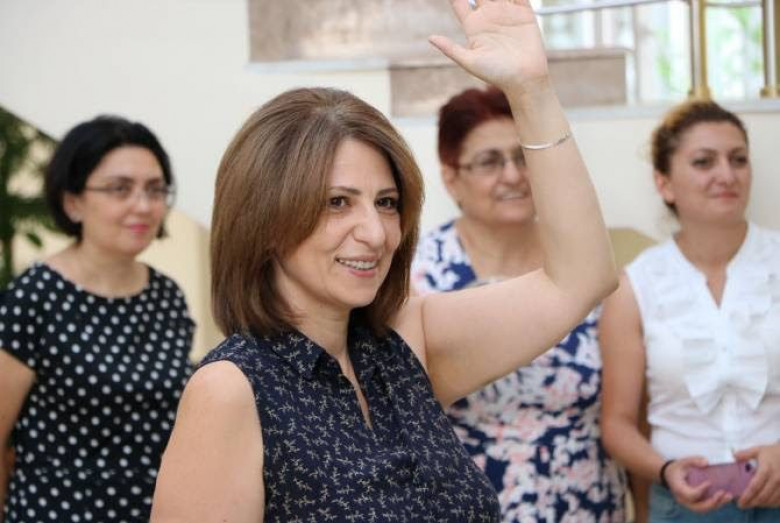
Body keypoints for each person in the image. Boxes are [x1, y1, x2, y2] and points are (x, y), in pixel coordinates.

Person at [150, 1, 617, 521]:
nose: (375, 233)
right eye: (337, 203)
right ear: (266, 218)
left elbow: (582, 279)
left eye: (387, 203)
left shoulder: (403, 342)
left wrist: (531, 91)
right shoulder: (232, 388)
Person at [411, 85, 626, 522]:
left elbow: (630, 408)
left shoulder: (583, 264)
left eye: (522, 156)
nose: (512, 175)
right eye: (490, 161)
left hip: (586, 504)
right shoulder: (419, 276)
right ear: (451, 178)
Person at [0, 115, 195, 523]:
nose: (143, 205)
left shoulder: (167, 297)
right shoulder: (33, 298)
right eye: (120, 188)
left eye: (155, 189)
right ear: (73, 201)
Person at [600, 98, 780, 522]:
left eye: (738, 159)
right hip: (684, 507)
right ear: (664, 183)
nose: (727, 175)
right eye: (704, 162)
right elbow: (617, 424)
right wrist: (666, 470)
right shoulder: (636, 286)